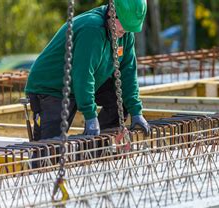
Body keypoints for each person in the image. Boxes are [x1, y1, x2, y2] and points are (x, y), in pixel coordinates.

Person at [25, 0, 150, 141]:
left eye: (129, 28)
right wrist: (90, 116)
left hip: (81, 82)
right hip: (51, 87)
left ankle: (96, 145)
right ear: (111, 13)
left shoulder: (125, 32)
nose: (125, 32)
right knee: (48, 150)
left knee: (119, 99)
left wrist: (136, 111)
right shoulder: (92, 29)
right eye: (124, 27)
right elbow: (83, 75)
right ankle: (88, 138)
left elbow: (128, 72)